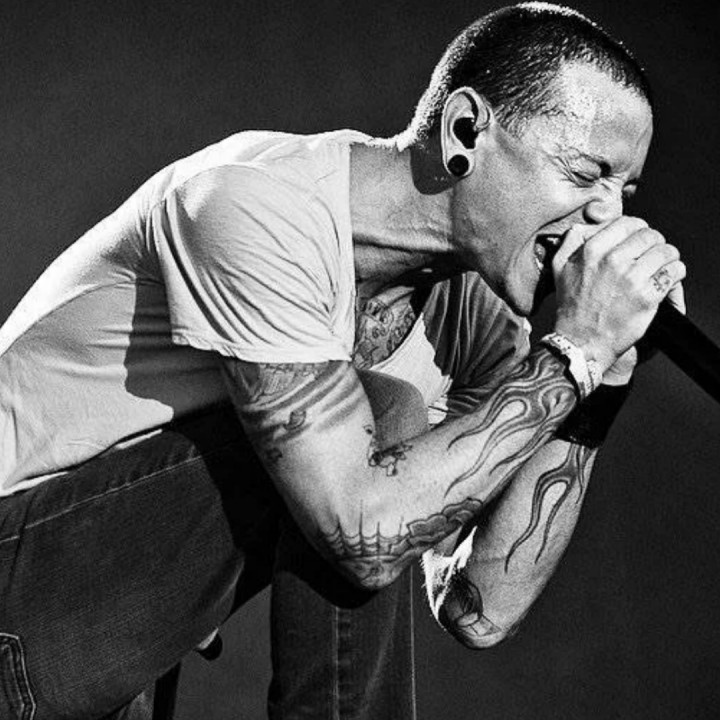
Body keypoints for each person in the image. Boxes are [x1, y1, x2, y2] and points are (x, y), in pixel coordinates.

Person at [0, 2, 685, 719]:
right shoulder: (256, 203)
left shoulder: (476, 321)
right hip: (19, 598)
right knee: (382, 413)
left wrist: (601, 380)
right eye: (586, 173)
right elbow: (362, 533)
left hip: (113, 669)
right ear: (465, 131)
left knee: (380, 441)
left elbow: (479, 609)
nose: (610, 217)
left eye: (625, 191)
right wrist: (574, 353)